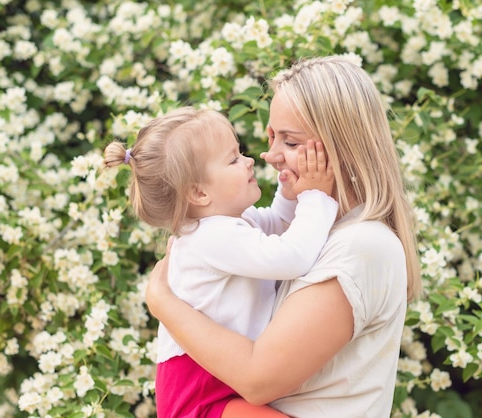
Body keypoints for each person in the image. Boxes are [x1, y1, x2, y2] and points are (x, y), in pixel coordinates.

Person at [145, 55, 423, 418]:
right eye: (272, 137)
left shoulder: (361, 245)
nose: (267, 156)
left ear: (340, 147)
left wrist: (162, 302)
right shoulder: (319, 232)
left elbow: (258, 379)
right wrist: (301, 192)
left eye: (290, 143)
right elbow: (284, 228)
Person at [103, 106, 338, 418]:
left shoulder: (227, 226)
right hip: (200, 392)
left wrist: (291, 186)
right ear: (199, 192)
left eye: (240, 151)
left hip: (216, 382)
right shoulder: (210, 238)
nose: (249, 160)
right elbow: (292, 257)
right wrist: (317, 196)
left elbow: (281, 222)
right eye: (233, 159)